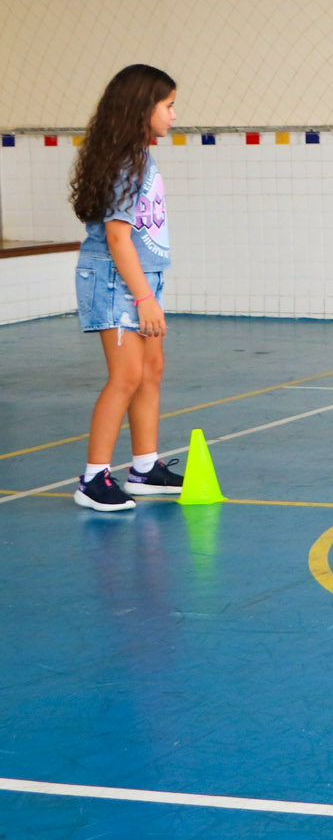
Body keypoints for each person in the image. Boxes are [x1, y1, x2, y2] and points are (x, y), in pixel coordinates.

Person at [69, 64, 183, 511]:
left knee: (151, 370)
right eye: (168, 105)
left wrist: (149, 290)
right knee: (126, 376)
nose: (174, 114)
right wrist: (144, 298)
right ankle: (92, 479)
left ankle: (145, 468)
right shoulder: (126, 162)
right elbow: (117, 238)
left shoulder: (139, 156)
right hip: (117, 282)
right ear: (142, 108)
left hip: (140, 279)